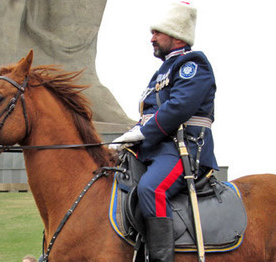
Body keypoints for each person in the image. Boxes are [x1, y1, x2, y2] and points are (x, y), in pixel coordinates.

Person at [109, 1, 218, 261]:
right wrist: (127, 137)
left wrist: (144, 133)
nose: (152, 38)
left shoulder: (193, 64)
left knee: (151, 188)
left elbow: (179, 108)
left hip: (185, 151)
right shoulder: (160, 72)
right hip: (156, 150)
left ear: (176, 34)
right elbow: (148, 114)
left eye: (157, 32)